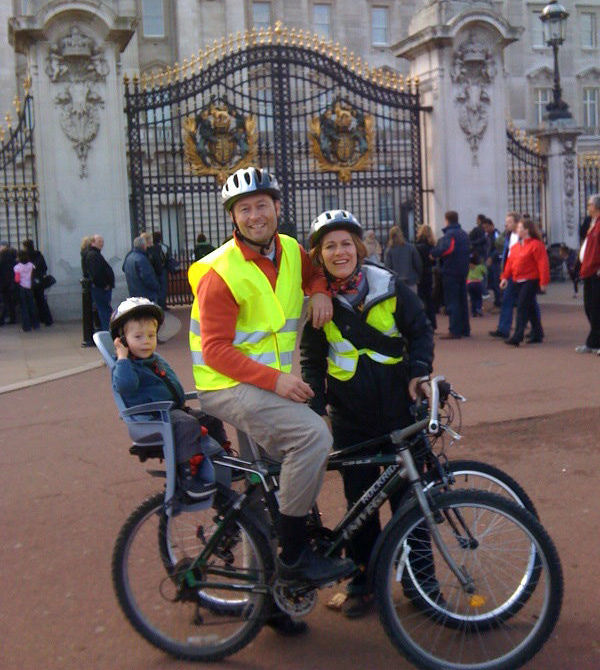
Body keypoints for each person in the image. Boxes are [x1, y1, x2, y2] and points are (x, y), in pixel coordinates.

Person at [188, 168, 354, 597]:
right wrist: (277, 381)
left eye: (262, 205)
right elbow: (216, 351)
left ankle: (267, 601)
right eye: (245, 208)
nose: (255, 215)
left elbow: (314, 272)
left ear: (278, 208)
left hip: (263, 384)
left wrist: (319, 290)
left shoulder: (293, 251)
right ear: (233, 218)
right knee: (313, 438)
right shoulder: (219, 271)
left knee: (268, 489)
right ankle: (294, 556)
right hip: (226, 386)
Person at [300, 209, 434, 617]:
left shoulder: (389, 286)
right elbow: (313, 356)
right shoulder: (319, 303)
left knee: (410, 502)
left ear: (358, 248)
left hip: (399, 410)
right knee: (360, 504)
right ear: (319, 256)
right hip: (350, 417)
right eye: (330, 246)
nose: (339, 252)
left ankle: (421, 584)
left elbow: (419, 330)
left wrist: (419, 372)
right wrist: (316, 403)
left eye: (345, 244)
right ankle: (365, 582)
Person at [110, 297, 224, 500]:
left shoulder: (155, 359)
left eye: (151, 336)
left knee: (211, 417)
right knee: (187, 425)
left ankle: (221, 460)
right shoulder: (126, 366)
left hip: (172, 411)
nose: (146, 341)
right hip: (152, 417)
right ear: (123, 340)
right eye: (138, 337)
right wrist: (122, 357)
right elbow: (125, 386)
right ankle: (188, 477)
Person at [500, 218, 550, 346]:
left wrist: (543, 281)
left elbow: (542, 264)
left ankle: (518, 336)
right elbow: (510, 263)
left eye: (520, 227)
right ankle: (538, 333)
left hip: (531, 279)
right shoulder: (516, 246)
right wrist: (505, 277)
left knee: (522, 306)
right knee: (531, 307)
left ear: (526, 230)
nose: (517, 229)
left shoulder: (536, 245)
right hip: (518, 280)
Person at [431, 211, 470, 339]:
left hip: (451, 270)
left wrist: (434, 253)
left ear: (447, 220)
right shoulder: (464, 234)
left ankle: (454, 330)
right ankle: (465, 328)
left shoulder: (450, 235)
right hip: (463, 271)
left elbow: (445, 249)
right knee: (462, 300)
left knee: (452, 301)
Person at [575, 194, 600, 355]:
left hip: (597, 271)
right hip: (588, 270)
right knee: (590, 308)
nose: (588, 207)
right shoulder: (592, 223)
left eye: (590, 204)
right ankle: (594, 341)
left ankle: (594, 342)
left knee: (596, 308)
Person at [489, 212, 520, 339]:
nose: (506, 224)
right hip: (510, 272)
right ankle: (503, 329)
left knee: (527, 303)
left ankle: (536, 329)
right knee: (507, 300)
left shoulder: (521, 236)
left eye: (509, 222)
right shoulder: (508, 236)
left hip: (521, 273)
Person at [85, 234, 115, 331]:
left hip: (102, 288)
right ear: (93, 243)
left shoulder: (95, 254)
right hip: (101, 289)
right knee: (105, 311)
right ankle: (108, 331)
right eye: (99, 242)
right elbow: (96, 273)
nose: (102, 244)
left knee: (105, 310)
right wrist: (104, 285)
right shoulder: (93, 255)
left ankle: (108, 330)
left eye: (102, 241)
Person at [22, 239, 53, 327]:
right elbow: (45, 267)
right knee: (41, 301)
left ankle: (34, 321)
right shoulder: (39, 255)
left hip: (28, 281)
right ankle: (47, 320)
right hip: (39, 281)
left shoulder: (25, 257)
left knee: (30, 303)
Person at [383, 225, 422, 293]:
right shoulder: (410, 247)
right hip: (411, 280)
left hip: (396, 282)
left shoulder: (389, 250)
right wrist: (418, 276)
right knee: (412, 302)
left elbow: (387, 268)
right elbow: (418, 263)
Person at [122, 236, 160, 302]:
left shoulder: (130, 257)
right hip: (145, 293)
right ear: (143, 246)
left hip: (134, 292)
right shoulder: (141, 259)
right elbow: (147, 277)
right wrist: (156, 286)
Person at [415, 224, 437, 330]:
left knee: (420, 300)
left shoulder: (417, 246)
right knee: (429, 299)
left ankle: (423, 324)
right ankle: (432, 323)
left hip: (420, 274)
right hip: (429, 273)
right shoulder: (432, 246)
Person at [13, 249, 40, 331]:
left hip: (22, 287)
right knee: (32, 306)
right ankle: (35, 324)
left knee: (24, 308)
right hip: (29, 287)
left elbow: (17, 280)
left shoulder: (17, 267)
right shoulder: (31, 265)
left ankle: (26, 326)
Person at [146, 231, 172, 309]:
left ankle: (156, 303)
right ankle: (162, 304)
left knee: (155, 287)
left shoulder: (150, 247)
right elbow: (168, 257)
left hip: (152, 269)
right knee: (163, 287)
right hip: (162, 268)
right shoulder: (164, 247)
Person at [483, 218, 502, 307]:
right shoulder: (488, 235)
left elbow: (499, 248)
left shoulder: (496, 234)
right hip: (490, 261)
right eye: (484, 228)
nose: (486, 230)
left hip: (496, 261)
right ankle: (497, 301)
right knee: (492, 282)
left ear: (492, 225)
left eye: (487, 227)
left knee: (496, 282)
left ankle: (499, 301)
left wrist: (491, 257)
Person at [0, 241, 18, 326]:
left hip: (4, 284)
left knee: (4, 302)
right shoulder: (14, 259)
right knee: (10, 302)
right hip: (12, 283)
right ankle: (13, 318)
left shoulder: (2, 259)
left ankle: (2, 319)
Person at [467, 252, 486, 317]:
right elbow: (485, 272)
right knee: (478, 297)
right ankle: (478, 308)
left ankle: (474, 311)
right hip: (478, 283)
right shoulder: (480, 266)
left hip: (469, 283)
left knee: (472, 298)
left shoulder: (468, 266)